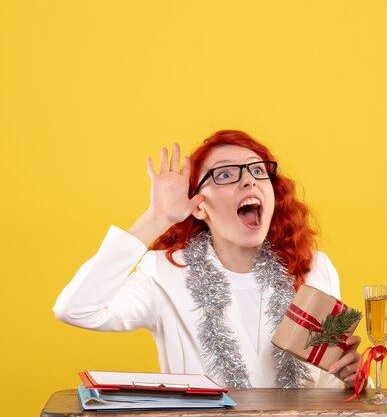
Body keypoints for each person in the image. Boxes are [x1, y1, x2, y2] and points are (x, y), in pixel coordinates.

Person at [54, 130, 361, 389]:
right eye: (225, 174)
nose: (248, 182)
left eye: (258, 171)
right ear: (198, 207)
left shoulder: (314, 268)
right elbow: (77, 309)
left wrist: (352, 378)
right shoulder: (164, 274)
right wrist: (157, 217)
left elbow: (330, 388)